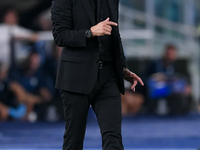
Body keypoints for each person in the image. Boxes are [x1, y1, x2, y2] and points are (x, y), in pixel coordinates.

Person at [51, 0, 144, 150]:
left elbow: (114, 35)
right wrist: (90, 32)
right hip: (76, 77)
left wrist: (123, 68)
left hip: (109, 77)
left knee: (113, 137)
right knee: (73, 139)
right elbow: (60, 36)